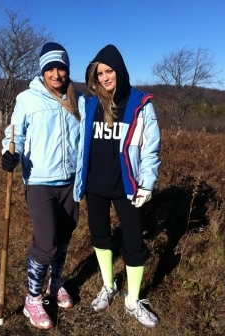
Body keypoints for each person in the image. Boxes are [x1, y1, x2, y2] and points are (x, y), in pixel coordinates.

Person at [74, 44, 161, 328]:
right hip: (95, 186)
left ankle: (133, 300)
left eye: (109, 70)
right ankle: (109, 286)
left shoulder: (140, 104)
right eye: (100, 73)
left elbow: (151, 149)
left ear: (120, 70)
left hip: (128, 187)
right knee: (100, 237)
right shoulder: (89, 104)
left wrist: (146, 184)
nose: (105, 77)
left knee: (134, 244)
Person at [1, 42, 83, 330]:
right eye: (51, 68)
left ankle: (55, 286)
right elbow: (15, 132)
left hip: (71, 180)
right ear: (43, 71)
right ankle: (32, 299)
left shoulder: (78, 99)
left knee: (63, 237)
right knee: (46, 241)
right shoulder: (28, 99)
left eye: (61, 68)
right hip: (39, 182)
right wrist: (9, 152)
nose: (56, 74)